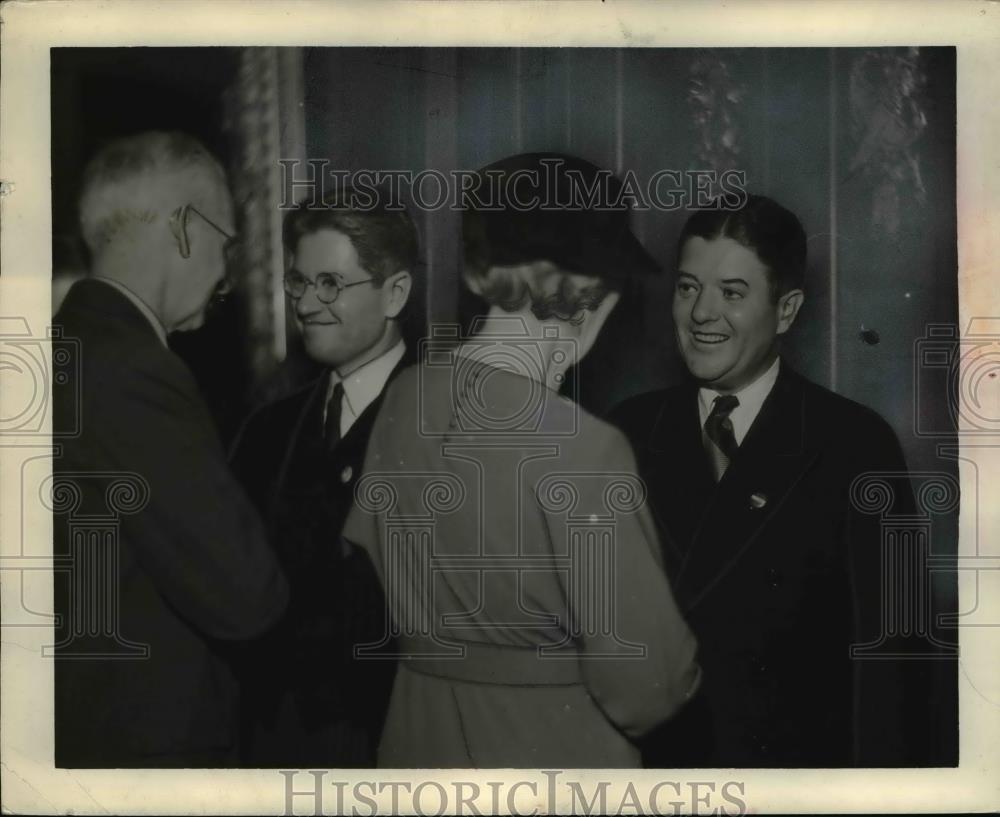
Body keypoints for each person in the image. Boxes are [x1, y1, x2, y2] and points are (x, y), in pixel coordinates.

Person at [342, 153, 701, 768]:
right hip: (551, 757)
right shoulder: (585, 447)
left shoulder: (403, 398)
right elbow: (650, 686)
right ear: (596, 292)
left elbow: (366, 564)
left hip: (417, 744)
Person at [610, 194, 937, 767]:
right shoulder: (627, 433)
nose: (701, 314)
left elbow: (893, 664)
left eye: (731, 294)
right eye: (688, 288)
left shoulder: (855, 443)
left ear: (785, 311)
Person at [52, 130, 289, 767]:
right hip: (148, 746)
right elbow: (246, 597)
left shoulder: (62, 348)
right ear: (185, 228)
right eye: (226, 243)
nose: (227, 275)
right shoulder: (132, 369)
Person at [228, 192, 417, 766]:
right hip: (274, 745)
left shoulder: (446, 424)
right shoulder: (265, 431)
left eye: (331, 283)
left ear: (395, 293)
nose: (307, 303)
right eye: (298, 282)